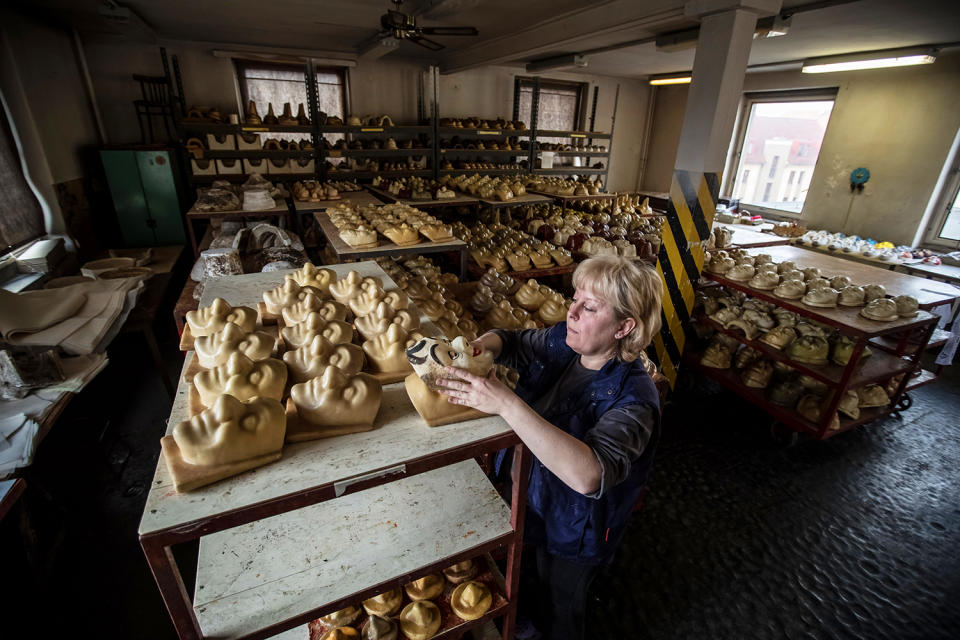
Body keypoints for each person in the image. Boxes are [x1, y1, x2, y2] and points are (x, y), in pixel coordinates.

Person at [436, 255, 664, 640]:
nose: (571, 313)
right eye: (574, 299)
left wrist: (506, 403)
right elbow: (511, 341)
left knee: (562, 602)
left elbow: (590, 475)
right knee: (526, 582)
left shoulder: (634, 401)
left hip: (576, 528)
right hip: (534, 501)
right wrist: (476, 349)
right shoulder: (567, 343)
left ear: (625, 327)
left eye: (589, 307)